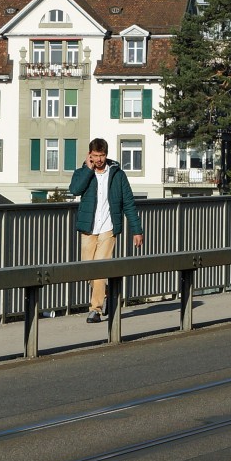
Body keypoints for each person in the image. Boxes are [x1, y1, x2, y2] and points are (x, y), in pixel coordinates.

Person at [69, 137, 144, 323]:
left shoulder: (118, 175)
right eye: (95, 156)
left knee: (100, 268)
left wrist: (137, 230)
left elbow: (128, 203)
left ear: (106, 155)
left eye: (101, 155)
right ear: (90, 155)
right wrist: (88, 170)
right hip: (88, 228)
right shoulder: (82, 172)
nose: (99, 159)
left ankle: (95, 310)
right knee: (88, 270)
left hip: (108, 229)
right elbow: (75, 190)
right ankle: (107, 292)